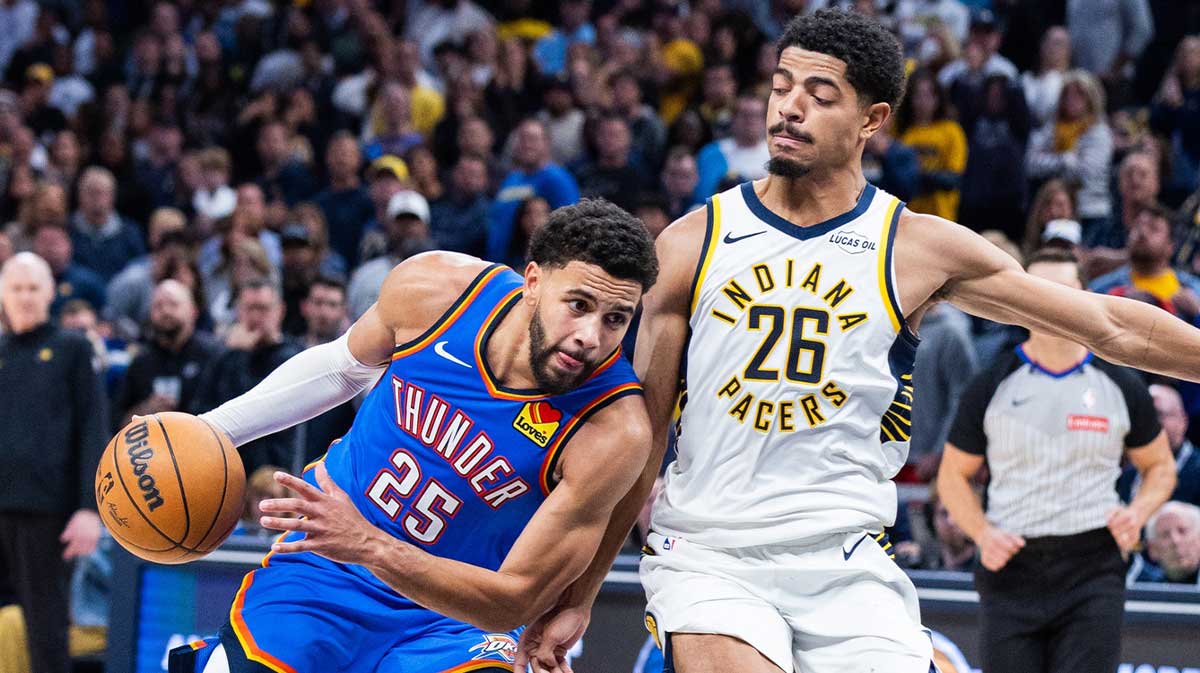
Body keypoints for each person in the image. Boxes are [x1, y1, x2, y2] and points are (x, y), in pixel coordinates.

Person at [514, 10, 1200, 673]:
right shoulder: (695, 239)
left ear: (872, 120)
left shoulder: (916, 247)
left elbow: (1109, 324)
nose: (789, 109)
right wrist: (583, 590)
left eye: (819, 96)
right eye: (781, 87)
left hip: (847, 559)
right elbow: (641, 438)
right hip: (709, 553)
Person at [167, 199, 656, 673]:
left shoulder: (612, 427)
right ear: (532, 282)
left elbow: (512, 598)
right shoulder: (441, 289)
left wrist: (370, 544)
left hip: (452, 618)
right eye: (578, 304)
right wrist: (212, 429)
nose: (590, 336)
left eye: (616, 319)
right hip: (328, 567)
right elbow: (342, 369)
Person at [939, 249, 1176, 673]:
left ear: (1085, 296)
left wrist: (1138, 513)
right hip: (1010, 565)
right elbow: (953, 476)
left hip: (1093, 565)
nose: (1051, 305)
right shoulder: (991, 383)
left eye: (1063, 292)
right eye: (1038, 292)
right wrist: (981, 533)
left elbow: (1160, 466)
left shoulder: (1119, 382)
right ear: (1019, 300)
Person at [0, 252, 104, 673]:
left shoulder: (73, 349)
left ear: (50, 294)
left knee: (46, 632)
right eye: (16, 288)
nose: (25, 297)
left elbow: (93, 429)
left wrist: (89, 508)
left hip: (47, 513)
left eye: (33, 288)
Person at [190, 278, 303, 475]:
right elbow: (201, 409)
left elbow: (255, 411)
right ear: (238, 311)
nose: (256, 316)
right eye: (249, 308)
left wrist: (238, 354)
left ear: (280, 311)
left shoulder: (292, 356)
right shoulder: (223, 355)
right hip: (226, 467)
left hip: (275, 470)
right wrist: (235, 353)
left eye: (263, 308)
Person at [112, 279, 221, 430]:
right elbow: (117, 422)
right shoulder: (141, 362)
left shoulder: (215, 355)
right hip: (156, 447)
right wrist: (146, 410)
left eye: (173, 304)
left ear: (193, 311)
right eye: (158, 306)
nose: (165, 311)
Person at [1118, 384, 1200, 508]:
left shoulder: (1197, 470)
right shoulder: (1129, 474)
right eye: (1144, 416)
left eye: (1158, 414)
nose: (1149, 424)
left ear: (1183, 420)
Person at [1136, 501, 1200, 584]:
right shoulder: (1141, 590)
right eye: (1165, 535)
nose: (1175, 541)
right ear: (1152, 549)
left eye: (1182, 531)